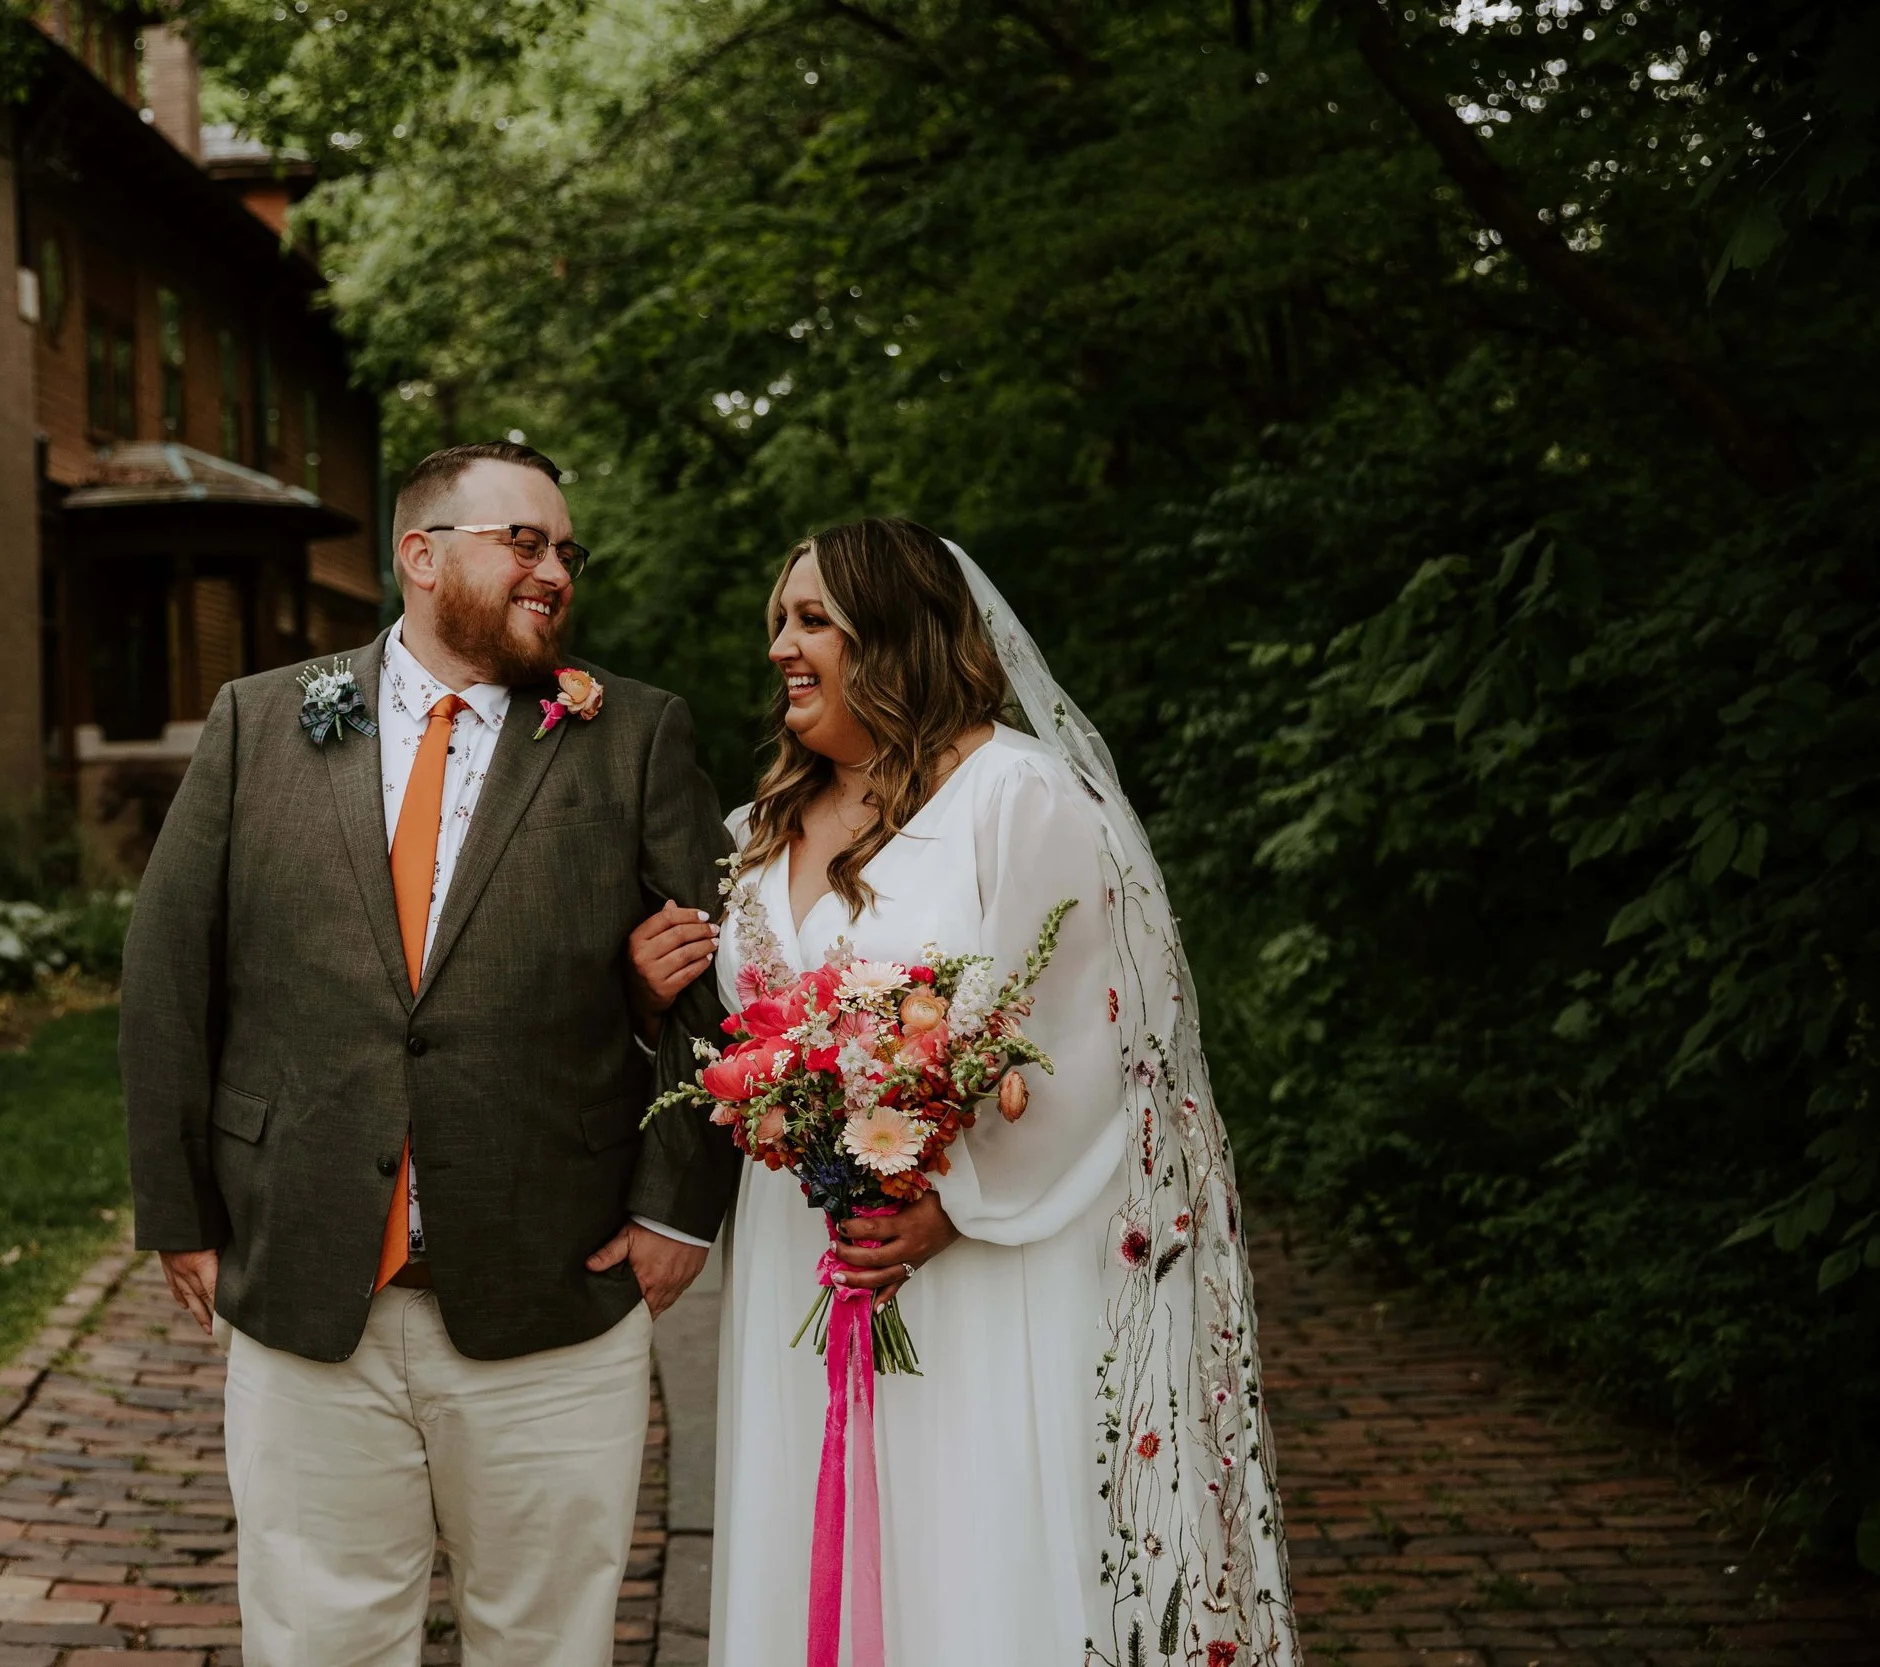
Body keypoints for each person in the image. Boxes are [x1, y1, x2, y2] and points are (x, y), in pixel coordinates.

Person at [628, 518, 1301, 1666]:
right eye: (777, 624)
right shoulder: (751, 833)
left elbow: (1101, 1038)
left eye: (811, 621)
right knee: (811, 1514)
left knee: (971, 1537)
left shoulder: (1018, 797)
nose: (783, 647)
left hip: (983, 1251)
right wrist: (658, 987)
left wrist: (953, 1206)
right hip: (806, 1251)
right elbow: (716, 1043)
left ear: (895, 633)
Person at [120, 440, 740, 1667]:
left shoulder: (632, 735)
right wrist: (175, 1206)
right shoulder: (260, 720)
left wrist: (679, 1209)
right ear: (420, 554)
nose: (554, 568)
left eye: (566, 551)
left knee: (544, 1636)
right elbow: (168, 969)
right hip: (303, 1272)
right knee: (318, 1635)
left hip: (553, 1280)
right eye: (524, 540)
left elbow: (717, 986)